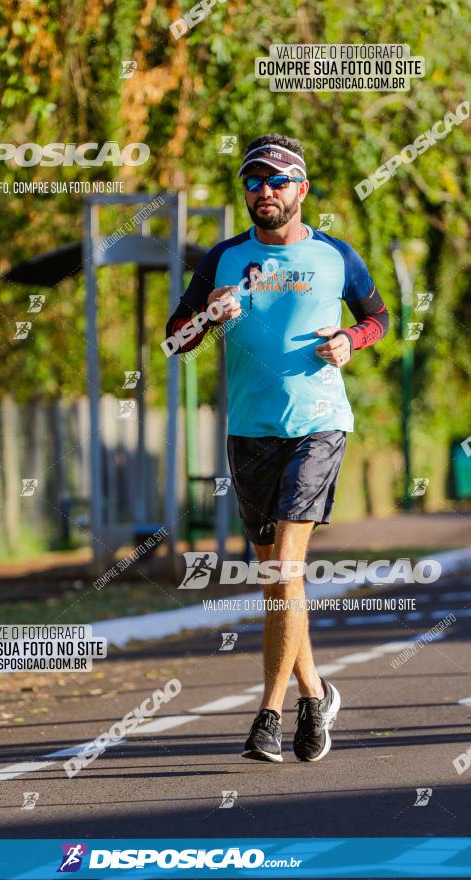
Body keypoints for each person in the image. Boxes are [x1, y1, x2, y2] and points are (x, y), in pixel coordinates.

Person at [165, 134, 390, 763]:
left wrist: (351, 340)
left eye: (278, 180)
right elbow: (175, 343)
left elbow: (379, 318)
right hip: (251, 432)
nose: (265, 192)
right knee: (275, 581)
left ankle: (268, 715)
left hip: (319, 423)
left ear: (302, 189)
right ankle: (316, 695)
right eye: (254, 182)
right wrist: (206, 317)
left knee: (286, 566)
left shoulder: (336, 256)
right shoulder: (222, 259)